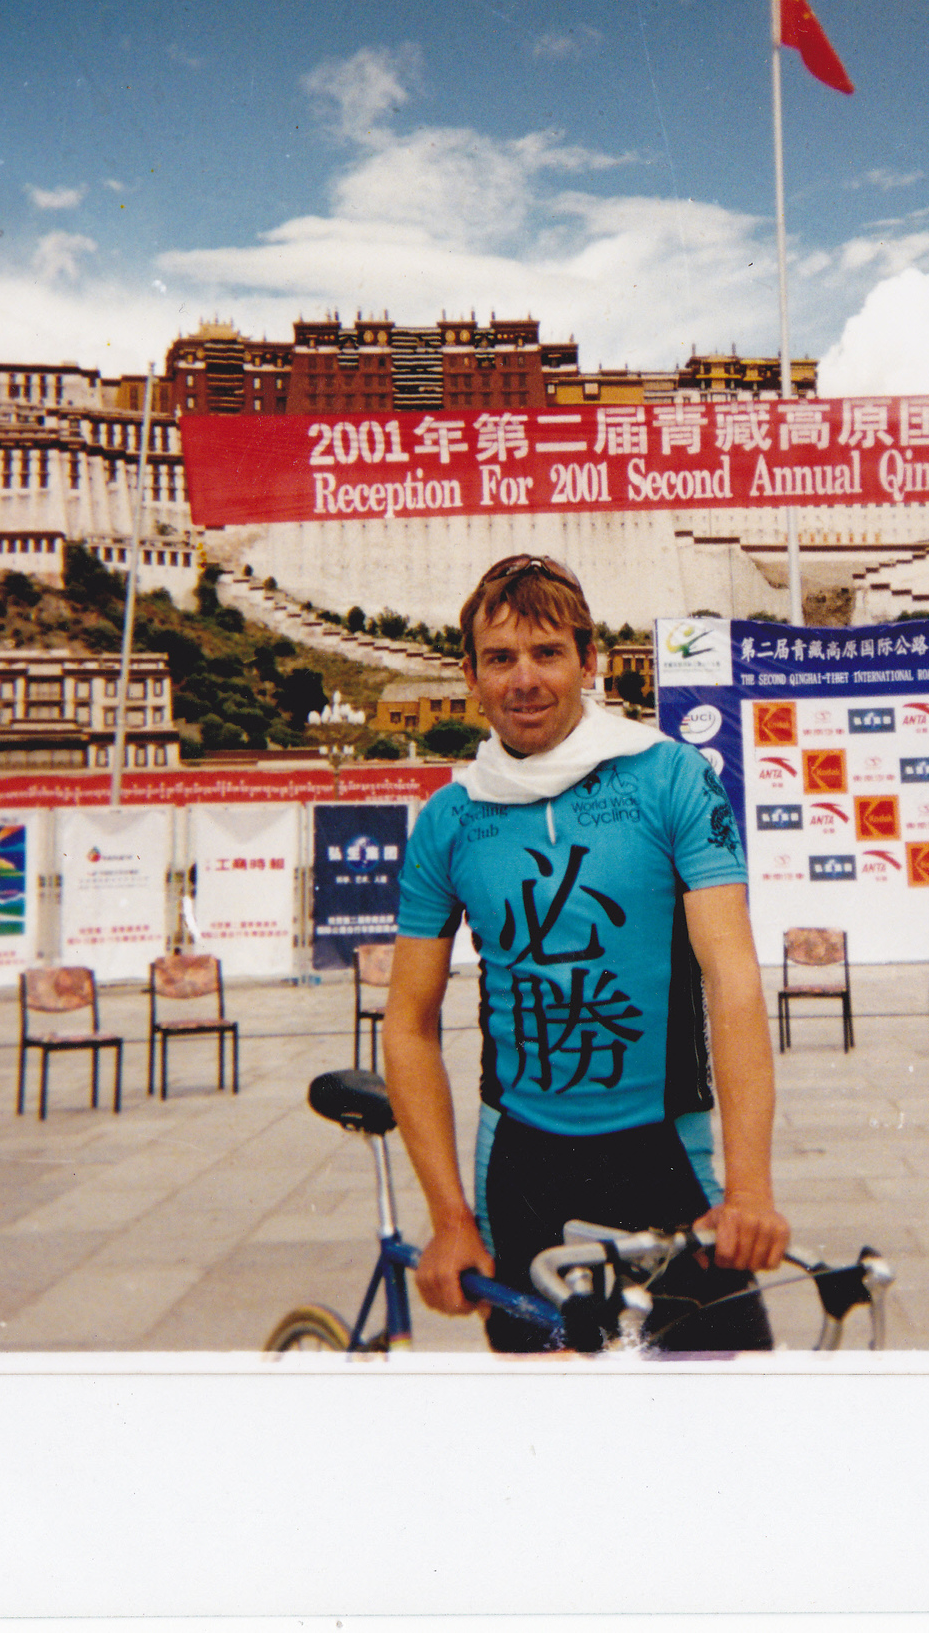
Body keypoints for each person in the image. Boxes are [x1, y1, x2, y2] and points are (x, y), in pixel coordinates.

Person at [385, 554, 789, 1353]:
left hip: (667, 1146)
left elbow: (733, 982)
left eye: (547, 653)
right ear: (470, 674)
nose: (524, 679)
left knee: (728, 1411)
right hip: (521, 1161)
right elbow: (409, 1022)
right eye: (500, 658)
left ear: (589, 661)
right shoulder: (449, 820)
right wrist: (450, 1221)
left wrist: (749, 1190)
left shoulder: (671, 777)